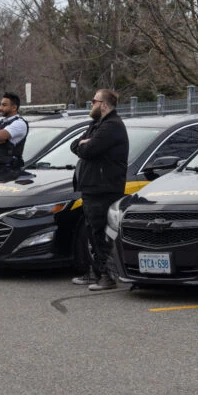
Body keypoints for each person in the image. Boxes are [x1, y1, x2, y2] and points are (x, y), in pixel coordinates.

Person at [70, 89, 128, 291]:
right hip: (91, 187)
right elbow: (75, 145)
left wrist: (85, 145)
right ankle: (94, 272)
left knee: (102, 233)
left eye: (94, 101)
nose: (91, 104)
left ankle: (106, 275)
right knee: (91, 232)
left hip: (104, 188)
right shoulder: (96, 124)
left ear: (104, 105)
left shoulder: (112, 126)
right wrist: (83, 143)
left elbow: (89, 150)